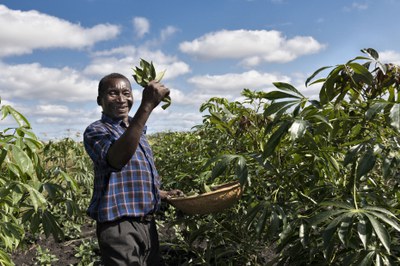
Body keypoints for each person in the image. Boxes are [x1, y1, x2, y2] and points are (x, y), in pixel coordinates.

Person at [83, 72, 182, 266]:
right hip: (119, 226)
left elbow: (131, 179)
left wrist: (163, 193)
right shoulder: (97, 130)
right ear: (99, 100)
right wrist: (147, 106)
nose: (121, 99)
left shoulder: (138, 134)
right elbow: (116, 160)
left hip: (146, 224)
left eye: (126, 93)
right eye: (113, 93)